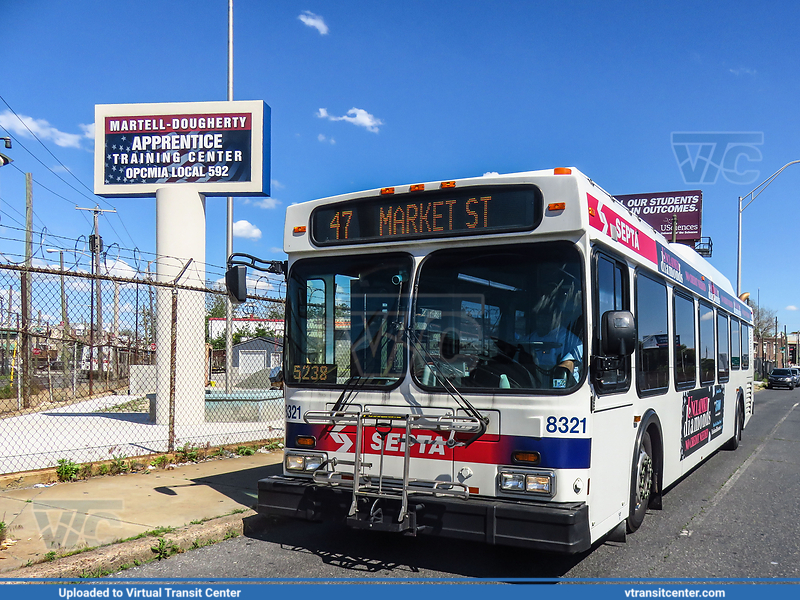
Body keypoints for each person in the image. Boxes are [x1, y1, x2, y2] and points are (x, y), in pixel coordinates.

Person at [517, 287, 583, 389]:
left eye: (547, 316)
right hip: (531, 387)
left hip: (562, 390)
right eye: (540, 317)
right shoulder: (528, 339)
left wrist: (557, 390)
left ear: (557, 317)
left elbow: (566, 367)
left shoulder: (571, 341)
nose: (543, 321)